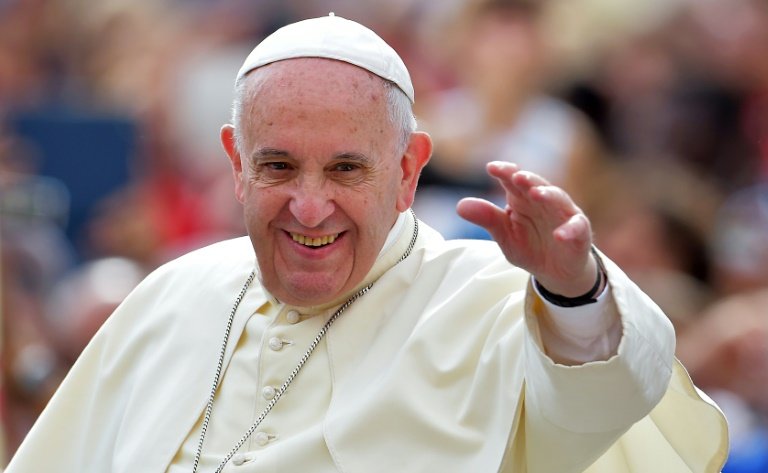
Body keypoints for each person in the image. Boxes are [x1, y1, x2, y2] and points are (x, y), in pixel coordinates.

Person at [5, 14, 727, 473]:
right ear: (235, 163)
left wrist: (576, 290)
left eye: (347, 168)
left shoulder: (492, 300)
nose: (310, 205)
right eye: (278, 165)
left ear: (409, 168)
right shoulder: (170, 295)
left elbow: (611, 398)